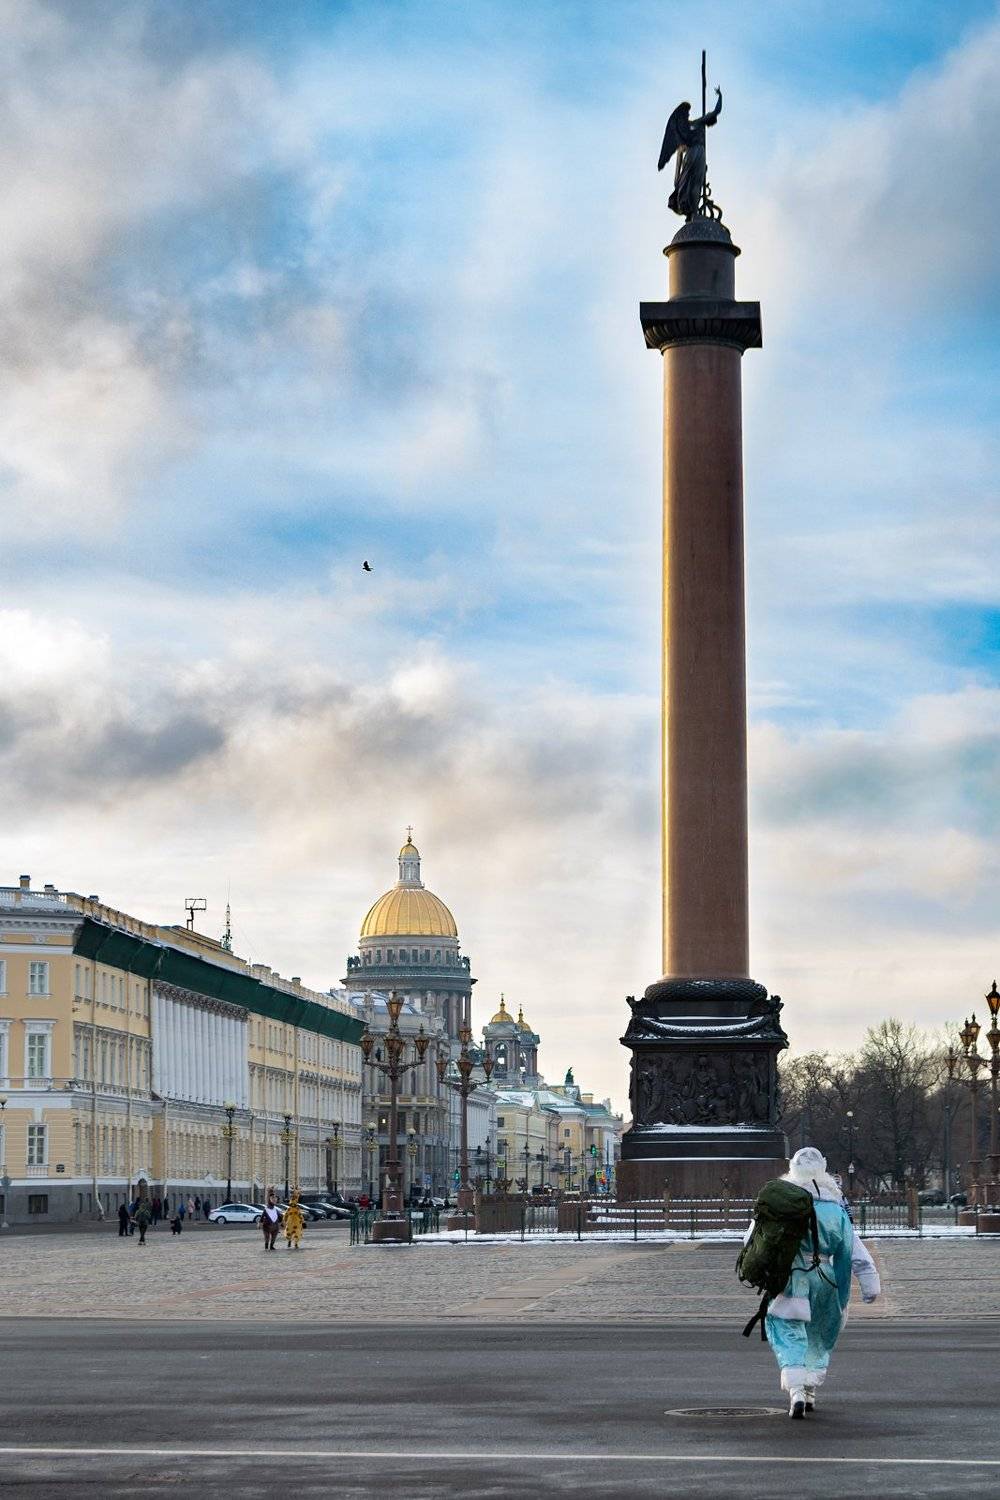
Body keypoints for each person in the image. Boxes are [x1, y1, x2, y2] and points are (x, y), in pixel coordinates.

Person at [757, 1147, 880, 1418]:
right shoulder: (835, 1209)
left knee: (787, 1329)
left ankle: (796, 1390)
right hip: (825, 1278)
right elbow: (851, 1250)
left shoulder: (781, 1205)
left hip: (791, 1277)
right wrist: (868, 1283)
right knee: (820, 1332)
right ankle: (810, 1388)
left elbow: (753, 1240)